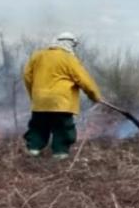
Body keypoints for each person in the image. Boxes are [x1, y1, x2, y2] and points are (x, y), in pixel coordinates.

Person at [22, 32, 102, 160]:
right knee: (63, 128)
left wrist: (34, 94)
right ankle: (60, 155)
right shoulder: (69, 59)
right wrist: (95, 96)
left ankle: (33, 151)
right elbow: (84, 80)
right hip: (61, 102)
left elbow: (27, 76)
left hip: (40, 102)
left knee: (38, 127)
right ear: (69, 44)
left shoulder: (38, 55)